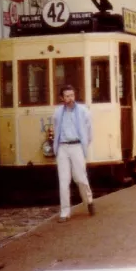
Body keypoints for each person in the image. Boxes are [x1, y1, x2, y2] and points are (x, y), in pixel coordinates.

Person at [52, 85, 95, 222]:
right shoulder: (58, 113)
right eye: (67, 96)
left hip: (76, 146)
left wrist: (83, 146)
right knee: (63, 180)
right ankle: (65, 212)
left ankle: (88, 201)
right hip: (62, 148)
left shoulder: (83, 111)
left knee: (80, 178)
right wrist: (57, 147)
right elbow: (55, 129)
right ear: (62, 98)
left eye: (72, 95)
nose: (70, 99)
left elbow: (89, 131)